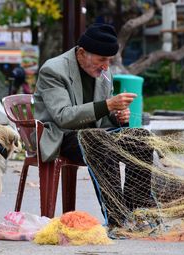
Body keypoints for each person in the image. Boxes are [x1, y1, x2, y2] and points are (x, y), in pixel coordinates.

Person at [33, 23, 155, 227]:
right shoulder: (53, 70)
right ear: (82, 53)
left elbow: (102, 119)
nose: (106, 66)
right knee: (98, 142)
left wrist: (117, 117)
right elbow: (63, 117)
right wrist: (107, 105)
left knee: (140, 138)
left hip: (95, 135)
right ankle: (117, 219)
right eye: (101, 59)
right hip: (61, 136)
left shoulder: (104, 75)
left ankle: (137, 210)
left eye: (109, 60)